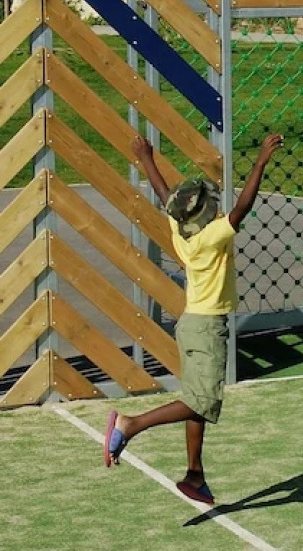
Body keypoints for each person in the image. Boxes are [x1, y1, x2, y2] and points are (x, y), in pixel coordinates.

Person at [103, 132, 285, 504]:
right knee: (202, 401)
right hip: (207, 327)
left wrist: (146, 157)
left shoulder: (182, 230)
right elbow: (243, 208)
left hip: (190, 325)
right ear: (205, 218)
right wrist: (261, 162)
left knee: (195, 398)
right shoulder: (212, 237)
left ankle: (195, 474)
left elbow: (163, 193)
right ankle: (130, 425)